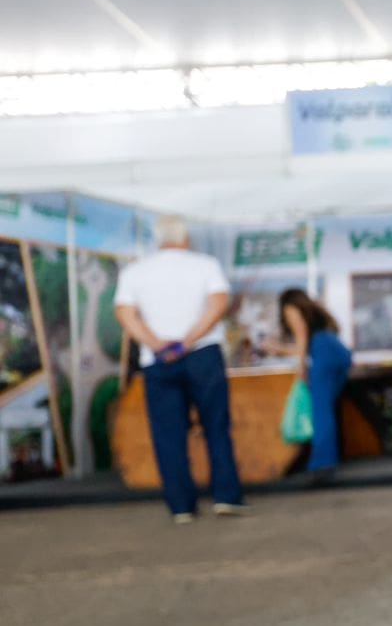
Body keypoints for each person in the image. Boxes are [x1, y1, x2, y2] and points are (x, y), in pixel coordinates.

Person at [113, 214, 243, 522]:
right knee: (216, 426)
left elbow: (125, 314)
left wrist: (157, 344)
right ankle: (226, 497)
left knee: (168, 434)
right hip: (202, 354)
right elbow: (218, 304)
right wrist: (188, 341)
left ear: (160, 238)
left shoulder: (136, 271)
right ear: (186, 237)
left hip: (157, 361)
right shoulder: (206, 264)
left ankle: (181, 506)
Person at [275, 289, 353, 478]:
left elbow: (302, 338)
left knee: (321, 411)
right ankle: (327, 459)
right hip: (337, 351)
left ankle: (322, 463)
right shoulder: (313, 311)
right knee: (326, 409)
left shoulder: (290, 307)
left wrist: (301, 368)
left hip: (323, 355)